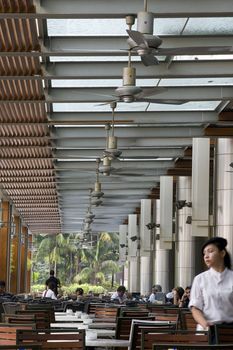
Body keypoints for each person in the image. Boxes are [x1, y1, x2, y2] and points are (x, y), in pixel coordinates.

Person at [189, 236, 233, 333]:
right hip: (207, 330)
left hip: (230, 331)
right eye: (204, 253)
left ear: (222, 253)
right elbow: (195, 308)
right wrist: (204, 323)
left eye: (210, 251)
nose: (206, 256)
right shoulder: (199, 279)